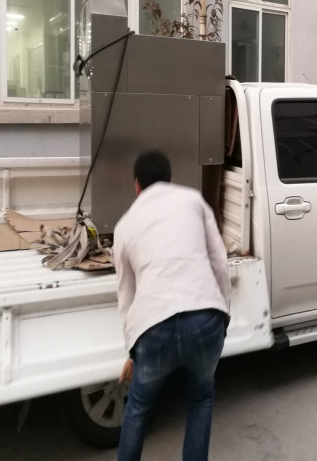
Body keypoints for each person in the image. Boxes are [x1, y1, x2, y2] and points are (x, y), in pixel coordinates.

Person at [113, 150, 230, 461]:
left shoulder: (124, 226)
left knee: (139, 405)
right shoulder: (193, 200)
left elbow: (126, 295)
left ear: (136, 185)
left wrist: (131, 351)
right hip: (205, 318)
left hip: (153, 328)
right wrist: (223, 316)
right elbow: (219, 262)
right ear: (170, 178)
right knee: (200, 399)